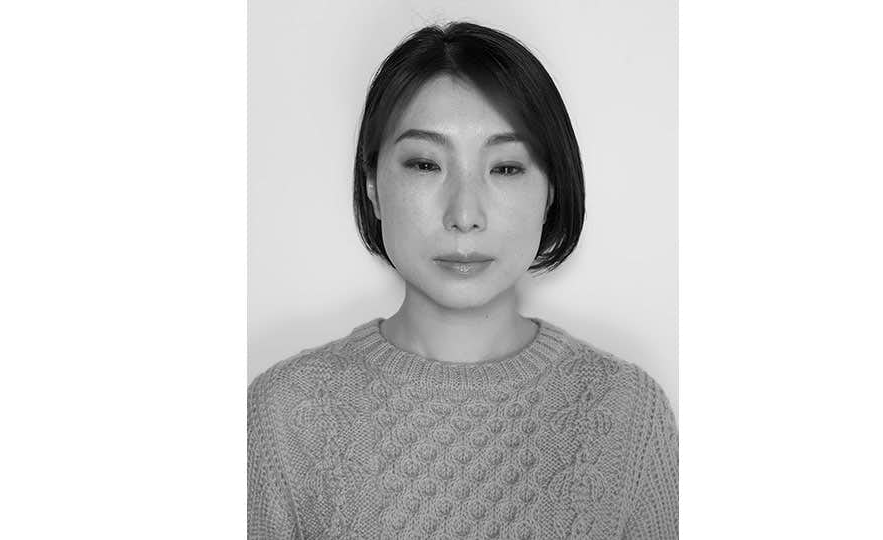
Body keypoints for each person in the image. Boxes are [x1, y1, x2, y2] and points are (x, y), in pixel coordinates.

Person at [248, 21, 678, 539]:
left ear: (551, 191)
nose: (465, 215)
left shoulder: (628, 414)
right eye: (425, 164)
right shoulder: (284, 416)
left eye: (506, 168)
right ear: (373, 185)